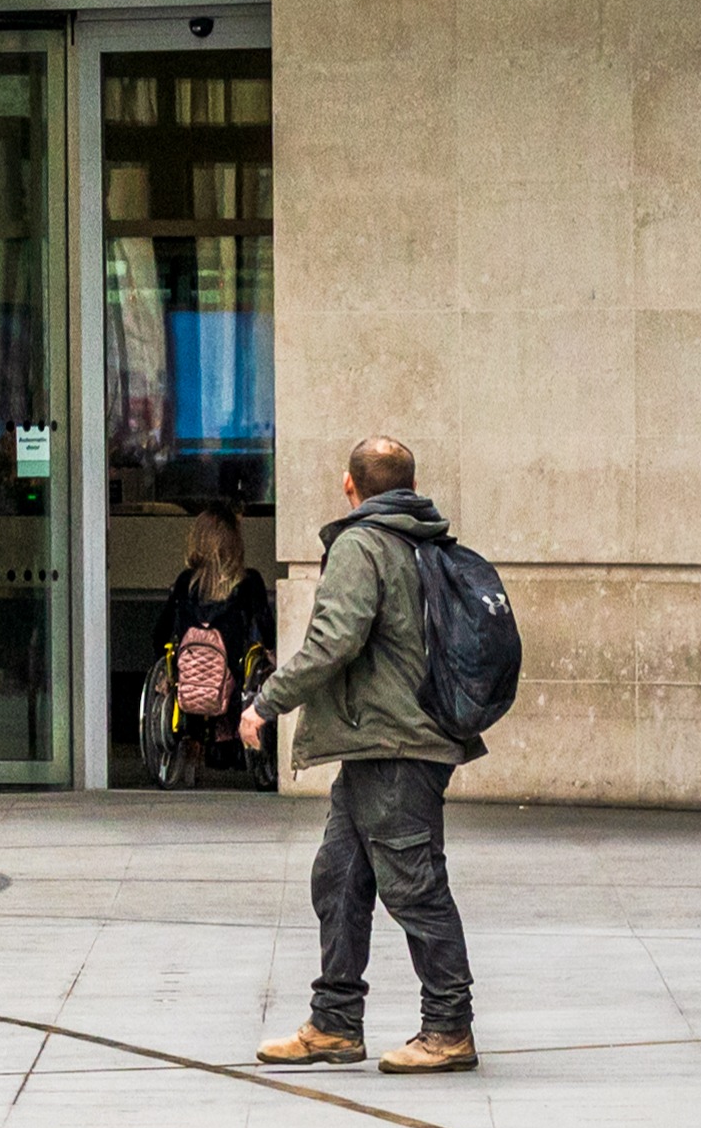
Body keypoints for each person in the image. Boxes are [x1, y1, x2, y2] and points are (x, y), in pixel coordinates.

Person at [240, 437, 480, 1075]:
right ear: (407, 483)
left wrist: (266, 702)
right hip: (379, 742)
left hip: (395, 742)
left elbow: (333, 639)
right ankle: (335, 1023)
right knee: (340, 877)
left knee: (415, 886)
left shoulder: (362, 542)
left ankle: (449, 1028)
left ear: (351, 486)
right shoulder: (419, 538)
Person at [157, 503, 278, 779]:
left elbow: (161, 632)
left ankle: (192, 738)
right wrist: (272, 654)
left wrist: (166, 673)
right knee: (250, 661)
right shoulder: (249, 582)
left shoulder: (185, 581)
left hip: (188, 677)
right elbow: (266, 627)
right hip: (234, 678)